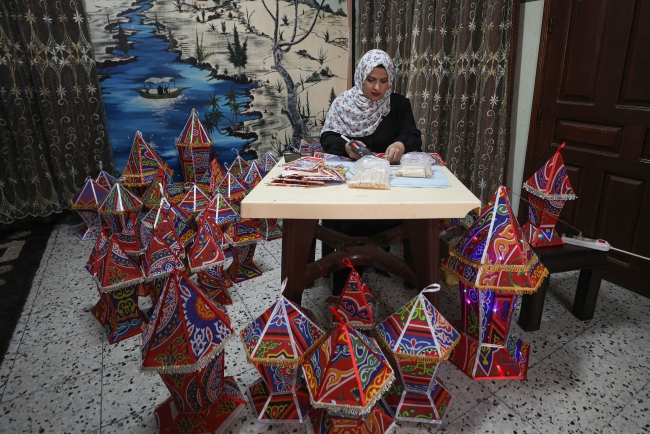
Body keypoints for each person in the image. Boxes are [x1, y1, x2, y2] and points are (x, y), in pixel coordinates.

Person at [320, 49, 423, 295]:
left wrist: (400, 145)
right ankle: (343, 288)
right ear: (360, 77)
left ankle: (382, 260)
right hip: (349, 187)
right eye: (371, 80)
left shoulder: (397, 104)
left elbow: (413, 136)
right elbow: (327, 137)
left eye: (384, 81)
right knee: (348, 217)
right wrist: (346, 147)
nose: (377, 87)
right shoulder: (343, 104)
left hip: (386, 187)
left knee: (406, 215)